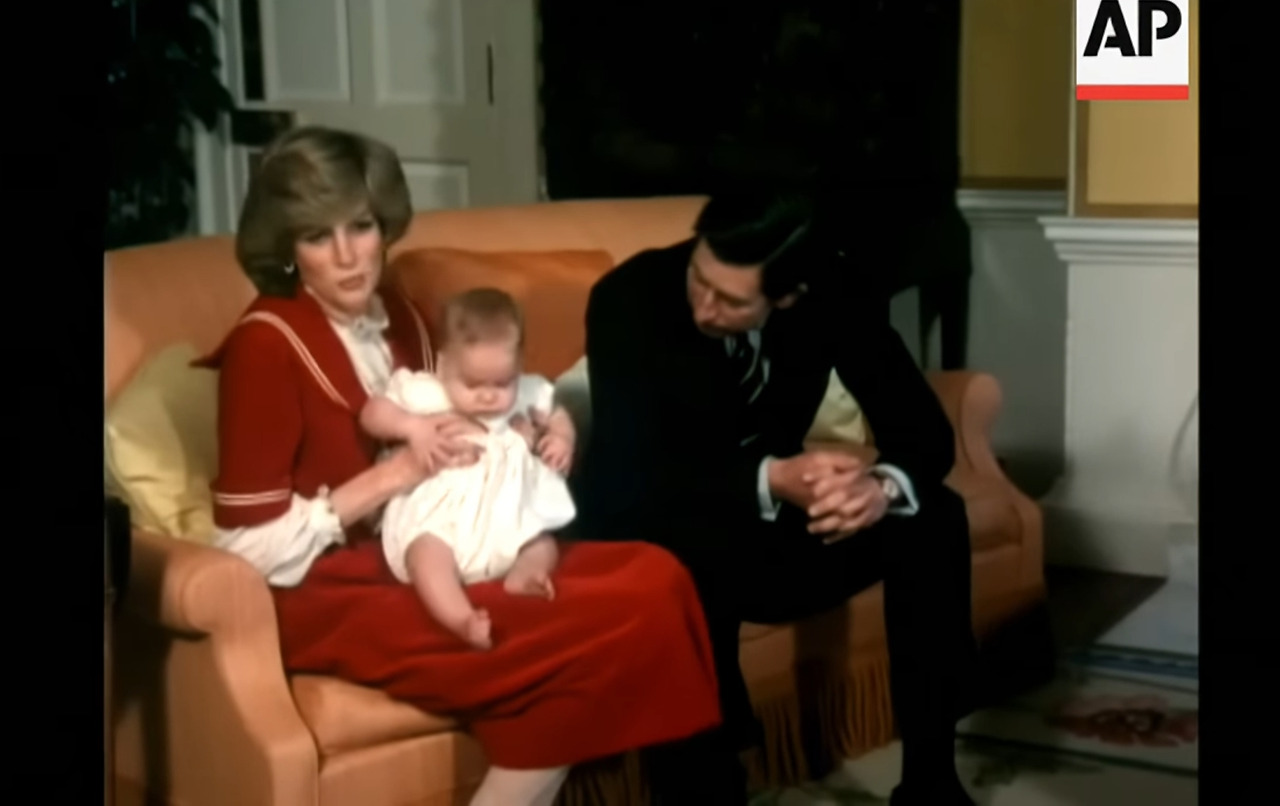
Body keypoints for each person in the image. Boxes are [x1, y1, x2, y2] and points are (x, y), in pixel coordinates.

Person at [199, 125, 721, 806]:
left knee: (657, 574)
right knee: (624, 611)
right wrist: (392, 476)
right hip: (329, 589)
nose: (349, 256)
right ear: (287, 249)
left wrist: (530, 434)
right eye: (318, 236)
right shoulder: (264, 345)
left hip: (454, 540)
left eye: (361, 226)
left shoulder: (402, 315)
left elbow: (481, 412)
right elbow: (242, 552)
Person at [573, 191, 980, 805]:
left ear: (789, 296)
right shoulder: (628, 297)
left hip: (763, 528)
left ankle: (932, 783)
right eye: (700, 279)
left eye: (732, 301)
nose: (704, 307)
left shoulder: (834, 290)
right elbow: (635, 477)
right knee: (681, 561)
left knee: (933, 516)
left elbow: (923, 431)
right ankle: (706, 793)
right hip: (655, 521)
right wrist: (770, 478)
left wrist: (877, 489)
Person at [365, 287, 577, 650]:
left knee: (541, 540)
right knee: (425, 554)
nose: (489, 396)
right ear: (443, 365)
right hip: (441, 513)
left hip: (507, 511)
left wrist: (562, 438)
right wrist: (412, 428)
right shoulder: (425, 392)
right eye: (473, 383)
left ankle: (525, 575)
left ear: (519, 367)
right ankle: (460, 618)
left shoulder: (528, 394)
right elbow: (373, 414)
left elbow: (557, 414)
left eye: (503, 382)